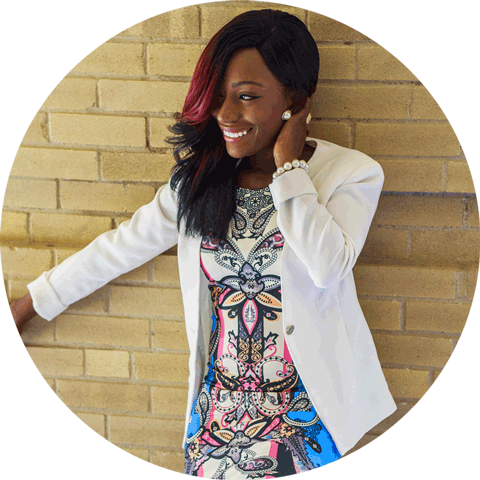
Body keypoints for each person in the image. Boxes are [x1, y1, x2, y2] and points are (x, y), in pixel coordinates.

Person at [10, 9, 397, 478]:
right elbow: (118, 248)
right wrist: (30, 304)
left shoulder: (350, 174)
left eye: (247, 97)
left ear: (294, 99)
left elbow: (327, 266)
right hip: (218, 414)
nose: (225, 115)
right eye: (217, 97)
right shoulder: (197, 182)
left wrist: (289, 169)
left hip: (306, 416)